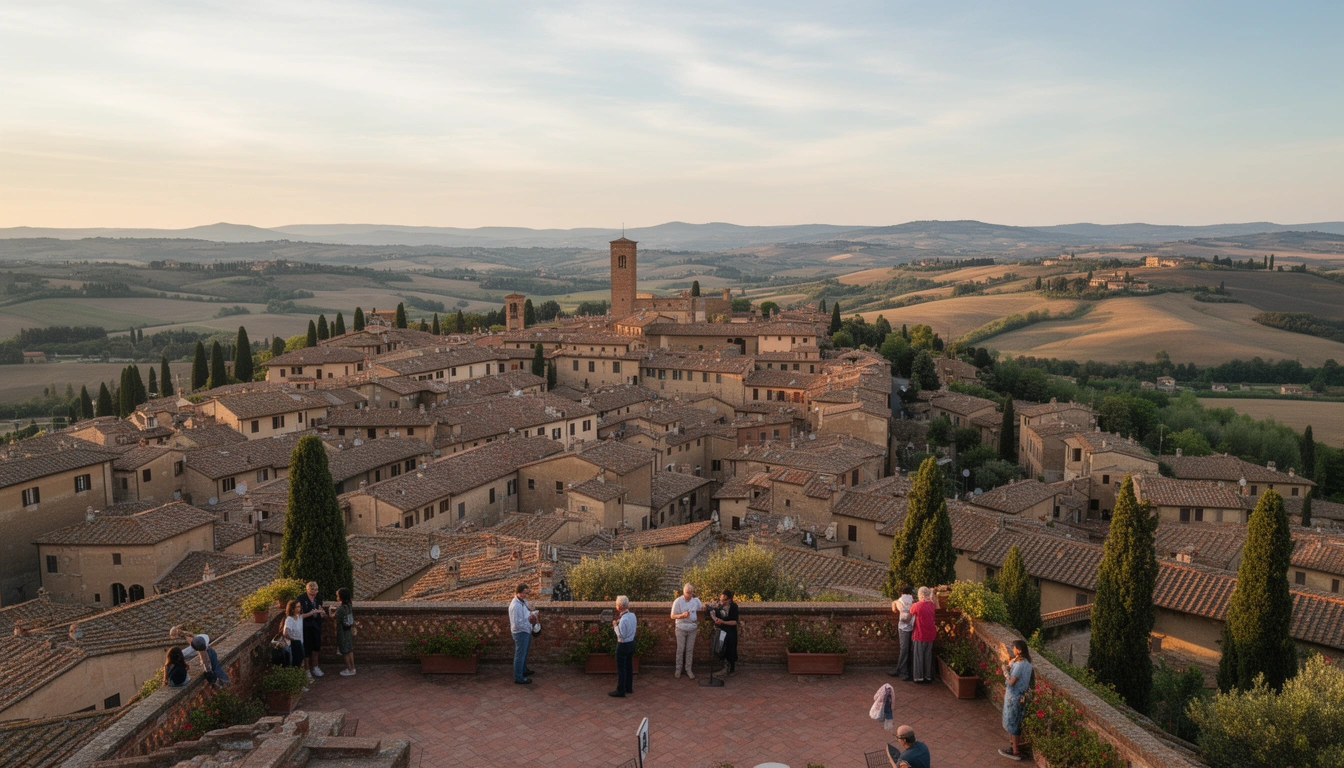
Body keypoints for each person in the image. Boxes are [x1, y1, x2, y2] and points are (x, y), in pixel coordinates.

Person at [999, 640, 1034, 761]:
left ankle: (1015, 750)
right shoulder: (1027, 662)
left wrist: (1005, 672)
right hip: (1019, 696)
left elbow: (1011, 681)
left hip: (1014, 697)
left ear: (1019, 650)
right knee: (1014, 722)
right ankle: (1014, 746)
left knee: (1013, 723)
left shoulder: (1020, 665)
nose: (1012, 650)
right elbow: (1011, 663)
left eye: (1014, 648)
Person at [670, 583, 703, 679]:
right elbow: (672, 616)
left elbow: (701, 613)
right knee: (680, 649)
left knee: (689, 650)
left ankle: (688, 669)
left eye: (691, 593)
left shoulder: (696, 601)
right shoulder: (678, 601)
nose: (689, 595)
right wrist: (682, 615)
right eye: (688, 593)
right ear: (684, 592)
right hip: (681, 628)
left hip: (692, 628)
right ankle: (678, 669)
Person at [509, 583, 538, 685]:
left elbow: (527, 612)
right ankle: (518, 677)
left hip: (526, 630)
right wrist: (528, 623)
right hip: (521, 632)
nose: (524, 595)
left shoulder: (523, 601)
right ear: (518, 593)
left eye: (525, 592)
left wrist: (532, 615)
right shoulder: (515, 606)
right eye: (523, 593)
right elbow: (518, 623)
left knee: (524, 653)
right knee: (520, 655)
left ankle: (523, 670)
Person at [297, 581, 326, 678]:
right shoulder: (301, 599)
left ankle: (316, 667)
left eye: (315, 591)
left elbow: (320, 609)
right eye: (311, 592)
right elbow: (298, 616)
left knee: (316, 648)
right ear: (307, 590)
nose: (313, 594)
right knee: (307, 649)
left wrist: (322, 613)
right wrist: (310, 613)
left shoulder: (318, 598)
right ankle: (307, 670)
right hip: (306, 627)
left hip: (316, 626)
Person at [609, 595, 636, 698]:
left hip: (623, 645)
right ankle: (629, 687)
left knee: (621, 668)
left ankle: (621, 690)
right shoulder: (633, 615)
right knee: (629, 666)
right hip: (631, 643)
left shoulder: (624, 619)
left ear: (620, 606)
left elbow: (621, 635)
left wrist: (615, 626)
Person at [909, 586, 937, 684]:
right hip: (930, 634)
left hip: (919, 633)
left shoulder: (917, 605)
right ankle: (928, 676)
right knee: (928, 656)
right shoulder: (932, 605)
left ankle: (918, 677)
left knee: (918, 657)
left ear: (920, 595)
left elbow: (910, 611)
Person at [709, 589, 739, 676]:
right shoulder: (719, 606)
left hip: (731, 632)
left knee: (731, 649)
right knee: (722, 649)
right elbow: (716, 616)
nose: (722, 601)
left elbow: (734, 621)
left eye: (724, 600)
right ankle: (725, 668)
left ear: (729, 599)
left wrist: (723, 622)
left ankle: (731, 669)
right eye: (721, 599)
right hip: (722, 631)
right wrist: (713, 616)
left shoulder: (733, 607)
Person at [888, 584, 915, 680]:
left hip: (903, 628)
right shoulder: (913, 601)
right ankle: (907, 670)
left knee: (904, 649)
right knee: (911, 649)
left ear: (901, 593)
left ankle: (901, 670)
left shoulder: (900, 601)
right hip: (914, 627)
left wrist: (894, 602)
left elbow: (896, 609)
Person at [334, 587, 357, 677]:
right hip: (348, 631)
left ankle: (349, 669)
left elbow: (335, 618)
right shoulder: (349, 606)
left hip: (342, 631)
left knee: (344, 651)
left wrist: (330, 612)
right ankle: (353, 667)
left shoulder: (341, 609)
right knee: (350, 650)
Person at [283, 600, 307, 678]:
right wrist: (293, 639)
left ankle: (301, 681)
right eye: (296, 607)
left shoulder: (299, 617)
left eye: (299, 607)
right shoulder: (290, 619)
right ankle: (298, 682)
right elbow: (285, 633)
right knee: (296, 664)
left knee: (301, 663)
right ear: (292, 608)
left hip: (300, 643)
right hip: (294, 644)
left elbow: (306, 615)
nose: (298, 609)